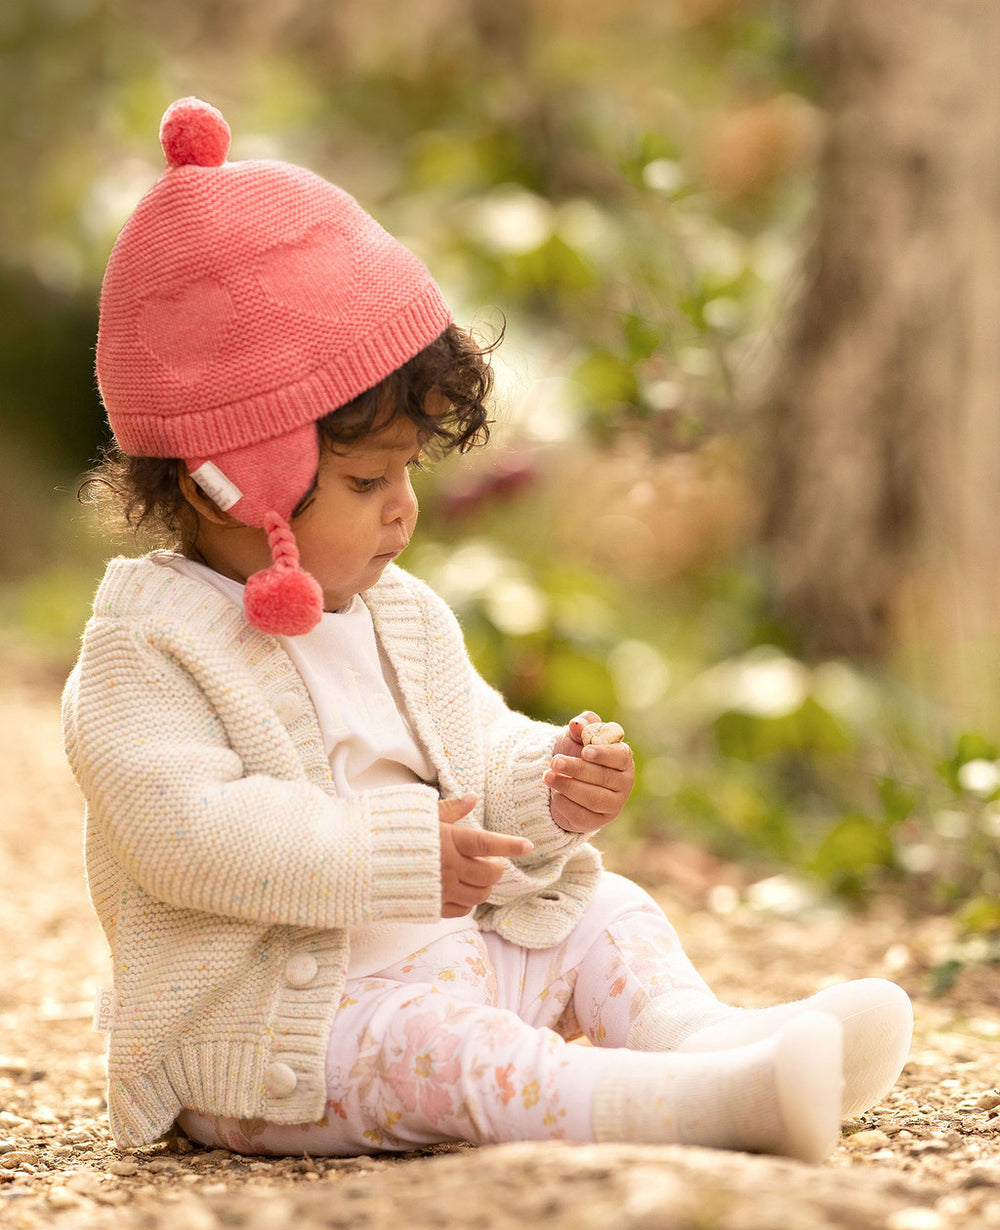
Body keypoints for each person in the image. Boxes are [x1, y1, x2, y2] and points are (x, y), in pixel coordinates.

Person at [63, 97, 913, 1165]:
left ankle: (713, 1042)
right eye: (368, 478)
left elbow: (474, 742)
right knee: (447, 1051)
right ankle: (696, 1105)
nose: (401, 509)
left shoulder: (398, 613)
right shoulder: (148, 648)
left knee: (607, 911)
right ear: (233, 482)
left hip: (445, 955)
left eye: (409, 473)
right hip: (286, 1040)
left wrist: (542, 784)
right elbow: (189, 835)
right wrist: (403, 856)